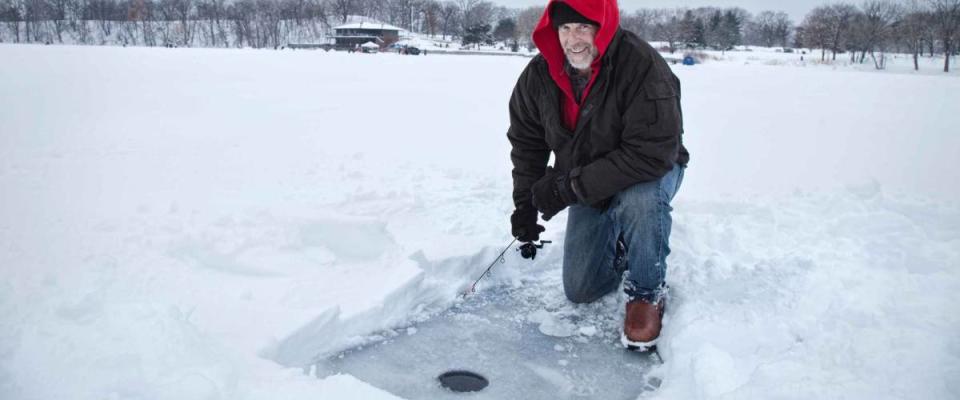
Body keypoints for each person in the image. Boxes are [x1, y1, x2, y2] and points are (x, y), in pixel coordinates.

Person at [507, 0, 689, 351]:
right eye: (565, 29)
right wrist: (525, 207)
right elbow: (527, 145)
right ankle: (624, 242)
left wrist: (568, 188)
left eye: (583, 27)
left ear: (602, 27)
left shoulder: (641, 65)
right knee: (581, 288)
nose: (574, 39)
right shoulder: (539, 75)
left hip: (653, 170)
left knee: (639, 198)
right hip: (589, 177)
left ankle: (647, 293)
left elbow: (650, 154)